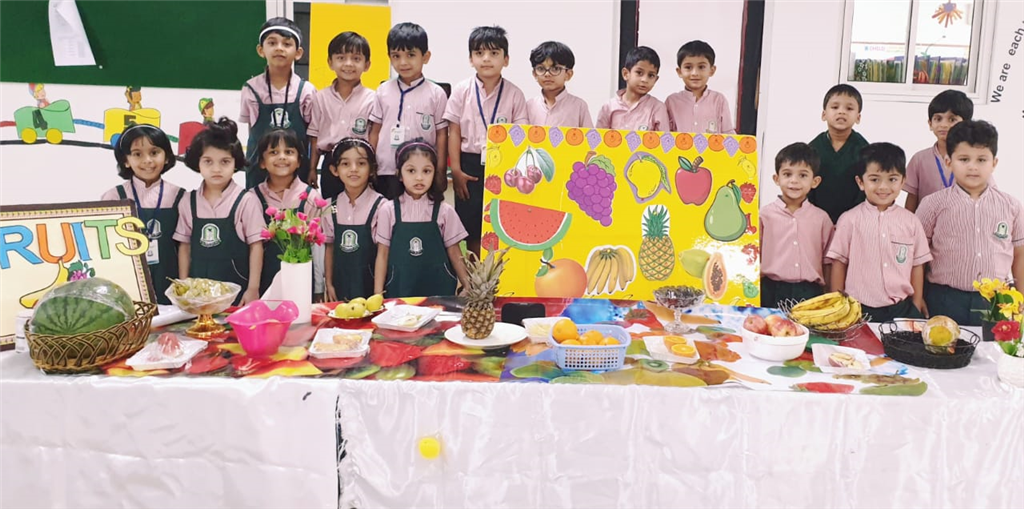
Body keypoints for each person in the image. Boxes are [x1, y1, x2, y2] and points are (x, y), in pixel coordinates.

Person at [916, 120, 1024, 325]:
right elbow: (918, 255)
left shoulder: (1011, 206)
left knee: (992, 346)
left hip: (996, 300)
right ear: (949, 162)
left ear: (994, 163)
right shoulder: (932, 204)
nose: (973, 167)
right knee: (944, 344)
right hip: (943, 298)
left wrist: (1021, 297)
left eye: (981, 160)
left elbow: (1020, 255)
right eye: (964, 159)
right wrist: (917, 296)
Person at [444, 25, 527, 256]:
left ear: (506, 59)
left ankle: (497, 273)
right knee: (471, 227)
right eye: (479, 53)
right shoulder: (461, 91)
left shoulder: (515, 94)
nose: (486, 59)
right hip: (468, 165)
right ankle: (474, 274)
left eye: (494, 53)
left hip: (503, 166)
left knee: (500, 224)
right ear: (471, 59)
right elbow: (454, 132)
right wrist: (456, 171)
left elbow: (520, 138)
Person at [827, 142, 931, 322]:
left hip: (901, 308)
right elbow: (839, 263)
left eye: (892, 179)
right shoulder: (849, 220)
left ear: (903, 181)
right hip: (858, 308)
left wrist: (915, 304)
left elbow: (917, 265)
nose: (883, 187)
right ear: (860, 182)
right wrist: (838, 305)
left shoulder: (912, 222)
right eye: (875, 179)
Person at [174, 118, 266, 306]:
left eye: (225, 162)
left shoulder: (246, 201)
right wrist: (184, 287)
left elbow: (256, 246)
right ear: (197, 163)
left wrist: (253, 288)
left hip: (237, 295)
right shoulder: (188, 201)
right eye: (208, 161)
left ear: (235, 163)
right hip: (198, 297)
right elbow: (184, 246)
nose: (216, 169)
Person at [374, 140, 470, 298]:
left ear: (434, 173)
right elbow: (382, 254)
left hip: (439, 290)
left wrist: (467, 285)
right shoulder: (388, 210)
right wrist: (377, 293)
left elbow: (454, 251)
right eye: (411, 171)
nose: (419, 178)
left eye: (426, 171)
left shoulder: (445, 211)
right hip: (399, 288)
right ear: (399, 175)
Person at [101, 124, 184, 305]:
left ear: (166, 157)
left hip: (169, 278)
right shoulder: (114, 197)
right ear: (125, 160)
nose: (147, 160)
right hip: (128, 280)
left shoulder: (180, 196)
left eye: (154, 152)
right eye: (137, 154)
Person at [369, 22, 449, 200]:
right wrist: (371, 165)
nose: (403, 62)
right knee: (387, 213)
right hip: (387, 170)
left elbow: (442, 135)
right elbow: (374, 131)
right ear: (389, 57)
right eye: (396, 56)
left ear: (425, 57)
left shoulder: (436, 94)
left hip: (422, 172)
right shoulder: (382, 91)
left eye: (411, 55)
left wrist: (440, 171)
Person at [249, 128, 326, 297]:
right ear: (262, 162)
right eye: (274, 152)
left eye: (289, 152)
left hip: (302, 282)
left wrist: (319, 288)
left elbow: (317, 249)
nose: (282, 157)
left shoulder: (311, 197)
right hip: (264, 282)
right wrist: (252, 287)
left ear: (299, 161)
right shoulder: (252, 198)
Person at [240, 17, 315, 189]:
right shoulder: (251, 88)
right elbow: (252, 130)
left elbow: (312, 136)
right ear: (261, 50)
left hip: (296, 168)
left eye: (287, 44)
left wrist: (311, 168)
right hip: (259, 168)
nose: (279, 48)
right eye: (272, 43)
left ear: (298, 53)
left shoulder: (306, 90)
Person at [759, 142, 834, 308]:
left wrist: (829, 295)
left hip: (810, 292)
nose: (794, 181)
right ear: (776, 179)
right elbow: (754, 256)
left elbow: (828, 261)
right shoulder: (764, 215)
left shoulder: (821, 218)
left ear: (815, 181)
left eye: (803, 175)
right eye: (787, 174)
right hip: (771, 289)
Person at [307, 31, 376, 201]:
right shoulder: (320, 97)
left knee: (361, 206)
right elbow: (314, 136)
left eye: (356, 58)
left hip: (361, 163)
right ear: (330, 62)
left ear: (367, 65)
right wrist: (312, 169)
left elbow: (375, 136)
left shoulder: (373, 99)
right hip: (331, 163)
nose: (348, 64)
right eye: (341, 58)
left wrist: (373, 169)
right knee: (332, 207)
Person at [324, 138, 385, 301]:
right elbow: (329, 247)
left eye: (361, 163)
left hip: (370, 286)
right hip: (340, 284)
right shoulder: (330, 206)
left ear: (372, 169)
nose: (353, 169)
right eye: (345, 164)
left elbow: (383, 252)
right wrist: (328, 283)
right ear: (334, 170)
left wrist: (378, 293)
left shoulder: (382, 206)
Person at [904, 89, 974, 212]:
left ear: (966, 124)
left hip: (962, 221)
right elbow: (912, 198)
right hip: (925, 222)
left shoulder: (974, 160)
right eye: (938, 119)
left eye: (952, 119)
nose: (944, 125)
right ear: (930, 123)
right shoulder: (919, 159)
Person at [808, 84, 869, 223]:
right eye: (835, 107)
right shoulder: (812, 149)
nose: (841, 112)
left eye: (849, 108)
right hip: (816, 220)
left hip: (854, 221)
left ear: (858, 117)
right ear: (824, 114)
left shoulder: (865, 150)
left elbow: (867, 188)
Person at [665, 40, 735, 134]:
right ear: (679, 72)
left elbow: (728, 133)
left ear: (712, 70)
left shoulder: (719, 100)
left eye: (701, 67)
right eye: (688, 67)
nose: (695, 73)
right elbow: (664, 135)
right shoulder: (671, 101)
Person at [595, 46, 670, 131]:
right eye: (639, 73)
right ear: (626, 74)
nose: (645, 80)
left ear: (656, 80)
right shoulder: (609, 107)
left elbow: (664, 138)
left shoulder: (657, 108)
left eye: (651, 75)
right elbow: (598, 137)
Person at [525, 41, 593, 128]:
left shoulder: (579, 106)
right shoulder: (528, 106)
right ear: (534, 74)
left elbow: (589, 136)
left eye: (555, 69)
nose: (547, 74)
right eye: (541, 69)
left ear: (568, 74)